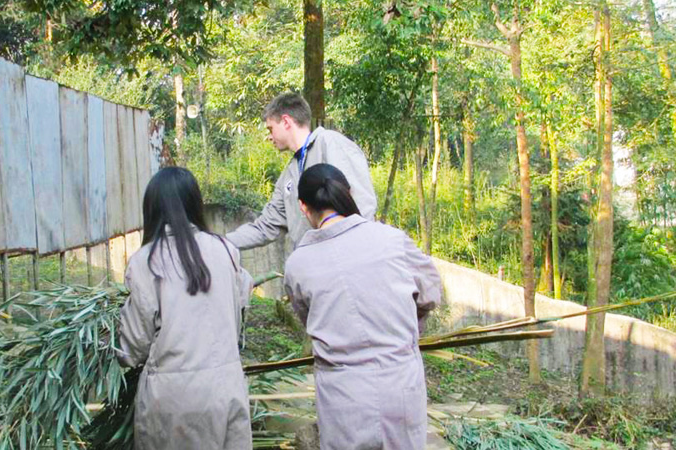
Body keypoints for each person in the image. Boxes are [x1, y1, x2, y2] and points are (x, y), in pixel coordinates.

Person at [283, 164, 443, 450]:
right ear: (349, 193)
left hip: (343, 396)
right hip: (400, 386)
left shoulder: (298, 264)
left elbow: (309, 318)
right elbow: (429, 293)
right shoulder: (392, 239)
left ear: (303, 207)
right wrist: (408, 323)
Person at [117, 167, 254, 450]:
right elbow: (240, 303)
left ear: (152, 209)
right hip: (227, 389)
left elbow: (133, 348)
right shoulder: (226, 250)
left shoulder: (146, 261)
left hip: (173, 401)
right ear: (195, 203)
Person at [225, 92, 377, 250]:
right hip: (311, 266)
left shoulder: (330, 143)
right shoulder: (288, 175)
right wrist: (219, 243)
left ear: (286, 121)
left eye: (271, 129)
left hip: (347, 258)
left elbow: (362, 205)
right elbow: (266, 226)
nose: (269, 137)